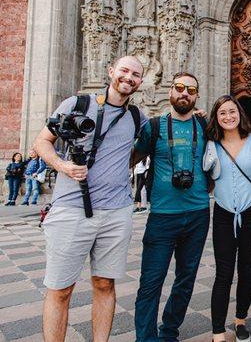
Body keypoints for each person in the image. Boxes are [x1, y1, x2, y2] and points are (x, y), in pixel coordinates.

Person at [33, 55, 146, 342]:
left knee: (105, 283)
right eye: (124, 70)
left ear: (141, 82)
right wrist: (62, 166)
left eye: (135, 74)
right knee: (60, 288)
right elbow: (41, 141)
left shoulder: (136, 117)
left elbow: (146, 147)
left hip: (116, 212)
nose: (128, 77)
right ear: (111, 71)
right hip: (71, 208)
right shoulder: (76, 104)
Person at [133, 72, 211, 341]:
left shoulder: (204, 127)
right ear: (170, 92)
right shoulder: (153, 127)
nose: (184, 93)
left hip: (198, 214)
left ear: (197, 96)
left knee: (185, 280)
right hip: (162, 217)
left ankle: (169, 333)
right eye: (179, 88)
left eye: (190, 89)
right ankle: (145, 338)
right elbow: (130, 159)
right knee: (151, 282)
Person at [203, 95, 251, 342]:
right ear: (216, 118)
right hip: (223, 213)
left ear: (240, 113)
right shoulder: (210, 144)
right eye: (222, 113)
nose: (228, 117)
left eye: (232, 112)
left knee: (247, 271)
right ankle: (218, 330)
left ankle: (240, 321)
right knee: (223, 274)